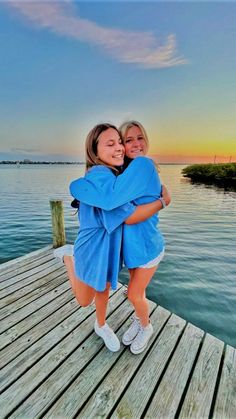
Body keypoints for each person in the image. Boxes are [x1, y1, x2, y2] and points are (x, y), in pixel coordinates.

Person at [54, 123, 170, 353]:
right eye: (112, 143)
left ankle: (103, 324)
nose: (119, 147)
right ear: (95, 152)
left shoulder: (118, 174)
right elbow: (126, 214)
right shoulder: (101, 176)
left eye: (120, 142)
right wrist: (163, 201)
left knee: (105, 289)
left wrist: (77, 186)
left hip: (111, 247)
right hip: (92, 248)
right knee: (84, 300)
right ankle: (69, 258)